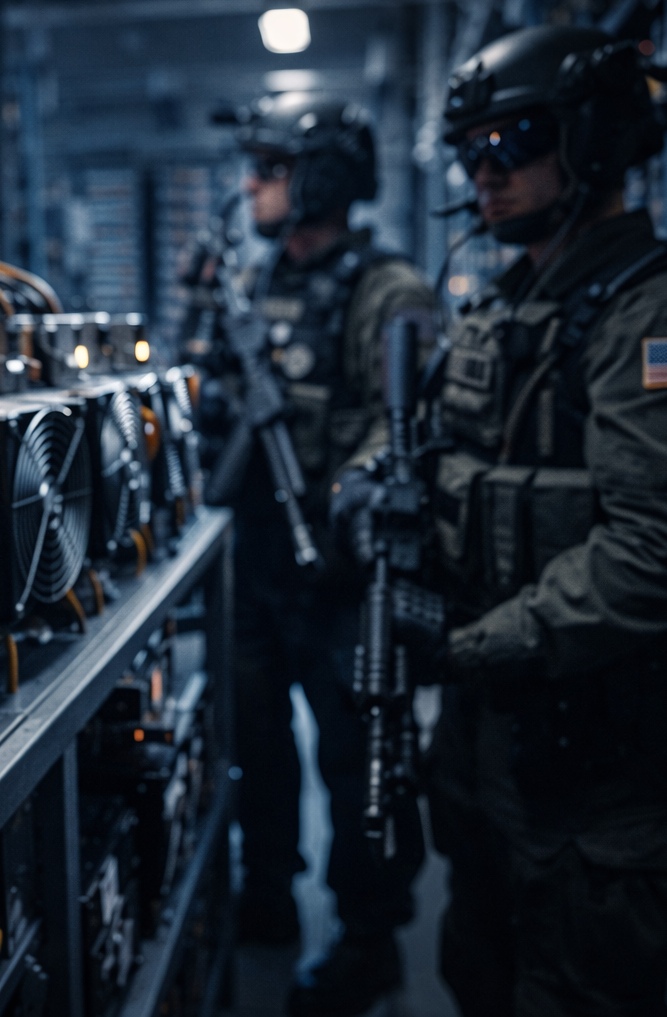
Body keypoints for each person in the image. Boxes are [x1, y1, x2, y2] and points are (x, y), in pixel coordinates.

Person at [418, 25, 667, 1015]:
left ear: (596, 140)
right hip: (489, 730)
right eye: (470, 153)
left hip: (595, 752)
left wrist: (476, 645)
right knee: (478, 965)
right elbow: (445, 449)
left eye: (514, 142)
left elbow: (666, 551)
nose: (484, 175)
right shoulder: (510, 306)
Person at [213, 95, 436, 1015]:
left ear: (323, 181)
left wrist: (347, 488)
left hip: (342, 573)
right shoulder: (258, 280)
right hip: (259, 561)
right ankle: (268, 888)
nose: (252, 186)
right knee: (254, 740)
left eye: (268, 169)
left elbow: (418, 426)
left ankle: (370, 939)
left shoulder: (390, 292)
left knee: (359, 758)